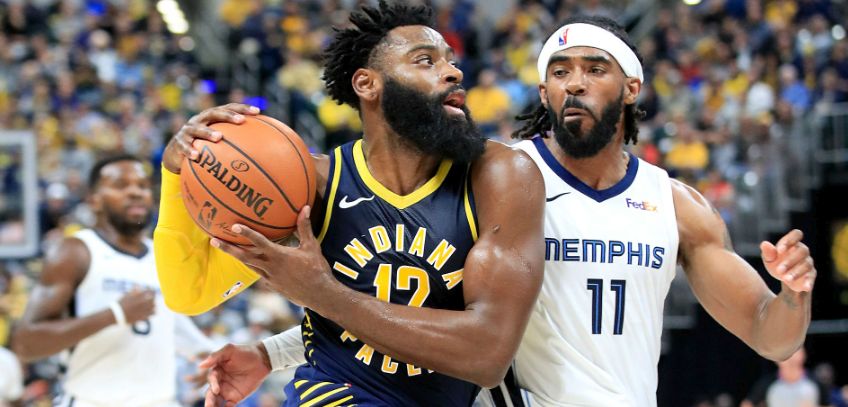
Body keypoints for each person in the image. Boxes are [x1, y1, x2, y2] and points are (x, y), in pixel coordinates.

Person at [153, 1, 545, 406]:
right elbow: (189, 293)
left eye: (451, 60)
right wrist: (175, 172)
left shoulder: (495, 175)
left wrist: (322, 294)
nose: (453, 72)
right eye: (425, 60)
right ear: (366, 84)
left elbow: (485, 355)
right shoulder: (307, 184)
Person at [489, 15, 816, 407]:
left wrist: (794, 292)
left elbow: (770, 335)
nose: (574, 83)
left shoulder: (676, 205)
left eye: (594, 69)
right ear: (545, 93)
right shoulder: (504, 176)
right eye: (560, 72)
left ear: (631, 88)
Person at [13, 155, 214, 407]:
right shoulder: (75, 251)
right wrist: (114, 315)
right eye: (121, 185)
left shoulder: (163, 255)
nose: (136, 192)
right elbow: (26, 343)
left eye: (142, 186)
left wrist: (204, 351)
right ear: (94, 200)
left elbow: (167, 320)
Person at [741, 347, 831, 407]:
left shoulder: (815, 382)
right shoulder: (767, 383)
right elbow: (747, 404)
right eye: (785, 353)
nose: (790, 358)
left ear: (803, 355)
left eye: (794, 351)